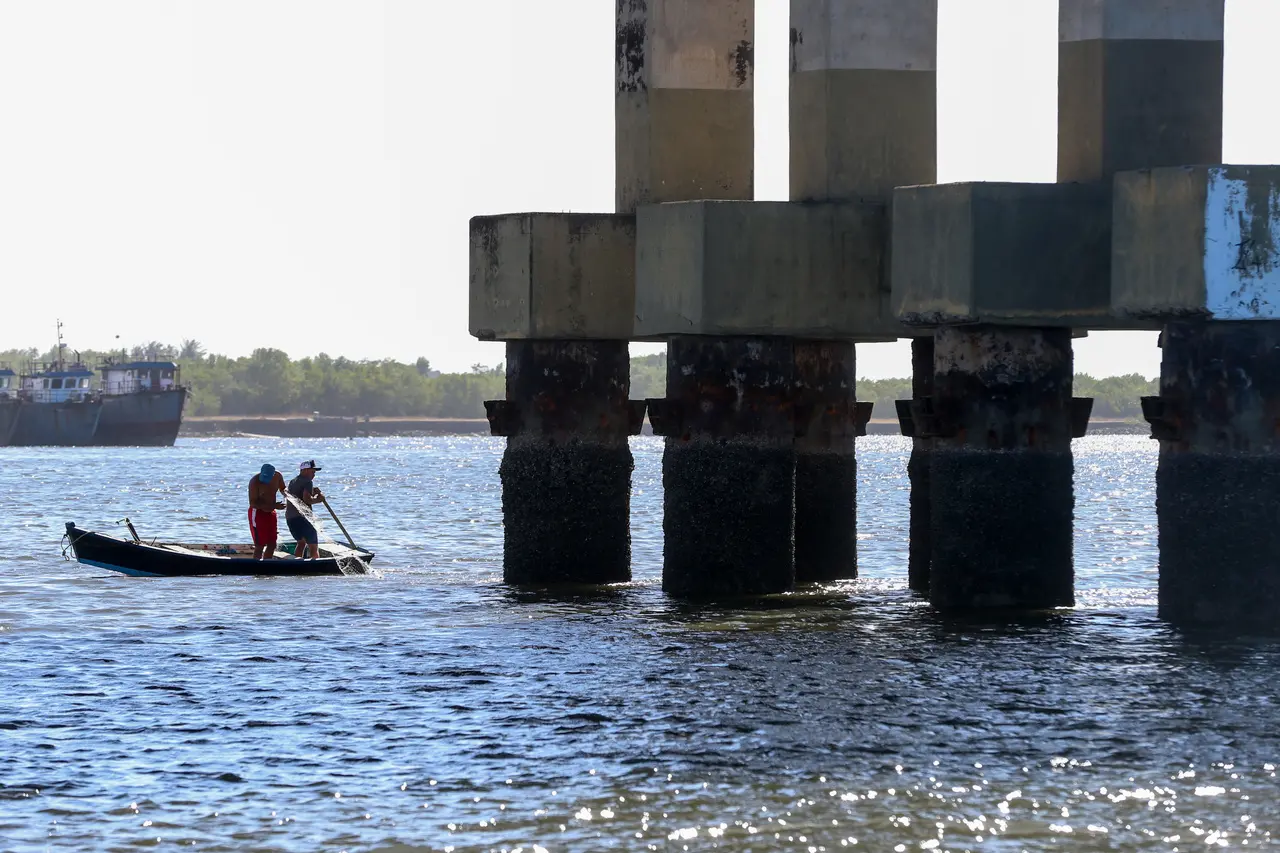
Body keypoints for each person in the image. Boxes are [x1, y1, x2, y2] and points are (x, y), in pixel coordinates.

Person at [286, 460, 325, 559]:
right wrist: (319, 499)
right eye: (313, 472)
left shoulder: (293, 481)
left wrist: (312, 491)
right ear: (306, 470)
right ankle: (315, 567)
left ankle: (297, 567)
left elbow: (298, 495)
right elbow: (307, 499)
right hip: (303, 517)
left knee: (301, 543)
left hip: (290, 518)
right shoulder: (307, 481)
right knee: (313, 546)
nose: (314, 475)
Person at [248, 463, 288, 560]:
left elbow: (283, 488)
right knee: (259, 546)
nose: (264, 480)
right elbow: (253, 503)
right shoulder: (254, 482)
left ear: (273, 475)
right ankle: (256, 569)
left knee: (272, 544)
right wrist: (274, 506)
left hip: (271, 512)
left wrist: (287, 495)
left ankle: (267, 566)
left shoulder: (278, 476)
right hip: (257, 513)